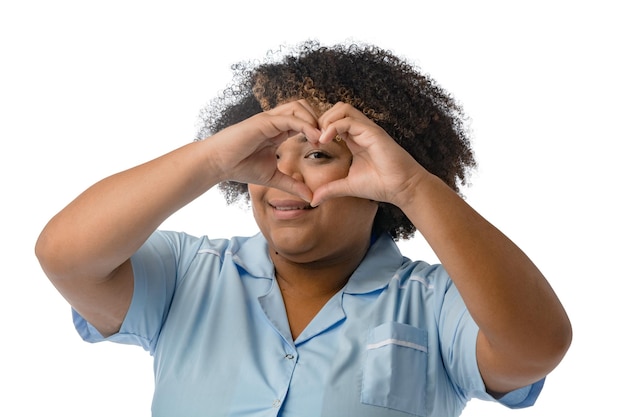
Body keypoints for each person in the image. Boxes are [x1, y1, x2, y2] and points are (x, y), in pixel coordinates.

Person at [35, 40, 572, 417]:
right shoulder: (187, 273)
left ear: (377, 172)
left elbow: (537, 347)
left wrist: (414, 185)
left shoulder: (435, 303)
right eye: (266, 153)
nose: (283, 175)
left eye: (317, 154)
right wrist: (211, 160)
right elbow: (65, 254)